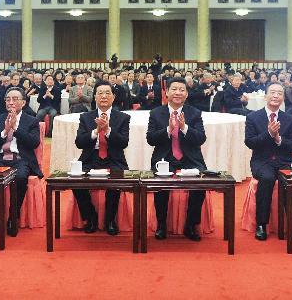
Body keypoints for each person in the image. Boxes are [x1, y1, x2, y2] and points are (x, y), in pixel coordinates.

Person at [146, 77, 207, 241]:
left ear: (186, 94)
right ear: (166, 92)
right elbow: (151, 139)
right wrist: (168, 129)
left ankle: (191, 225)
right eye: (174, 89)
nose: (178, 93)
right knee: (160, 184)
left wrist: (184, 127)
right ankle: (161, 224)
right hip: (164, 159)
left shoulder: (194, 113)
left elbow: (201, 138)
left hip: (189, 159)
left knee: (200, 184)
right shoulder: (156, 113)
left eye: (182, 89)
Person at [0, 87, 42, 237]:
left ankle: (13, 217)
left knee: (20, 178)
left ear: (23, 101)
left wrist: (15, 129)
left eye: (15, 99)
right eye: (8, 99)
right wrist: (4, 131)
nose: (11, 102)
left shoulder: (32, 120)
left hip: (20, 160)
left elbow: (33, 143)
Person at [245, 82, 292, 241]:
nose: (276, 96)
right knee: (267, 179)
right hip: (262, 161)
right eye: (272, 92)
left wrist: (279, 139)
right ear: (265, 96)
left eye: (279, 93)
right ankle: (261, 224)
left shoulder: (290, 119)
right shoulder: (252, 117)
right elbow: (250, 142)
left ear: (283, 98)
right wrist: (268, 134)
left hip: (285, 161)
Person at [72, 81, 131, 235]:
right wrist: (95, 131)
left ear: (113, 97)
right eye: (100, 93)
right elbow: (79, 142)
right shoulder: (86, 117)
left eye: (107, 93)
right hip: (91, 158)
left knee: (116, 180)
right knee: (75, 181)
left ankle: (110, 220)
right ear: (94, 97)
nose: (104, 96)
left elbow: (123, 143)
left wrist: (108, 130)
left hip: (114, 159)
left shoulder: (123, 117)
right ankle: (90, 217)